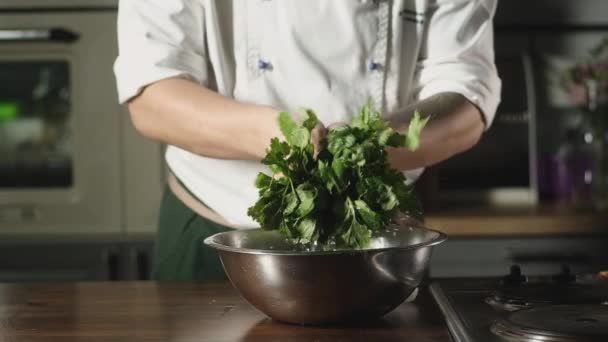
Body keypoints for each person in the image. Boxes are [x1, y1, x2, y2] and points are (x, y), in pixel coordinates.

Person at [113, 0, 501, 281]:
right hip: (212, 227)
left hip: (376, 230)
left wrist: (369, 145)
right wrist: (286, 136)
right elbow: (153, 100)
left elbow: (466, 98)